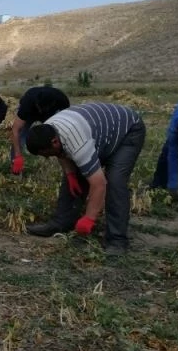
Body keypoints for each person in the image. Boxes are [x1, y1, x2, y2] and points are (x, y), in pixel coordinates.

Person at [24, 103, 146, 255]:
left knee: (115, 181)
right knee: (76, 173)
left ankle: (117, 240)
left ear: (54, 142)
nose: (48, 158)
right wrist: (70, 174)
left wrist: (89, 218)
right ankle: (61, 223)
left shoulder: (78, 143)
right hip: (98, 130)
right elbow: (61, 153)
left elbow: (99, 185)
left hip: (128, 131)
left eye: (47, 154)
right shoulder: (49, 129)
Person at [10, 86, 70, 174]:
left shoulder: (61, 100)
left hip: (50, 115)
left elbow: (66, 126)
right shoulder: (28, 102)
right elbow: (15, 130)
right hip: (30, 113)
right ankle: (15, 167)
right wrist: (18, 156)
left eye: (43, 109)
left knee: (59, 137)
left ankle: (68, 168)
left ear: (52, 104)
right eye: (39, 108)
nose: (41, 112)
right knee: (20, 137)